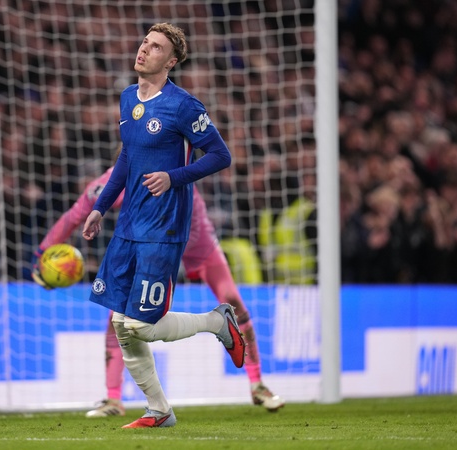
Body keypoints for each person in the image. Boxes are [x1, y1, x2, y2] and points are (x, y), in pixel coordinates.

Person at [80, 23, 246, 429]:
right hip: (128, 225)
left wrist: (174, 177)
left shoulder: (183, 106)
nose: (144, 50)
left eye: (155, 47)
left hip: (164, 226)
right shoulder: (127, 98)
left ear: (170, 61)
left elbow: (220, 155)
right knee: (121, 324)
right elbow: (127, 157)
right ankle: (159, 410)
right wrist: (101, 207)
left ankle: (217, 322)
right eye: (144, 42)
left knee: (141, 325)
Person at [32, 166, 285, 417]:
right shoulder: (113, 180)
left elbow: (216, 157)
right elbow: (75, 216)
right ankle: (113, 398)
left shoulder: (176, 162)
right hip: (157, 249)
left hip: (197, 241)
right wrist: (41, 256)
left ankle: (257, 384)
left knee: (232, 301)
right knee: (118, 317)